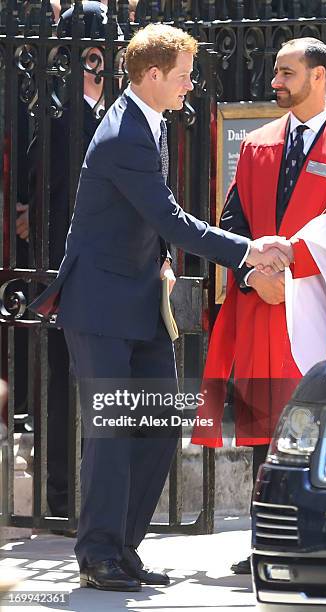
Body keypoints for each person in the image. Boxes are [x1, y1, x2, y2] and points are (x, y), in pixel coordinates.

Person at [29, 23, 292, 592]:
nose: (189, 86)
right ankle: (97, 553)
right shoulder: (125, 133)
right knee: (114, 429)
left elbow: (151, 218)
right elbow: (169, 215)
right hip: (100, 307)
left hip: (140, 302)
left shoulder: (150, 122)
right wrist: (250, 249)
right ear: (152, 76)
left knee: (155, 425)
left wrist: (167, 258)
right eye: (182, 76)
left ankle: (122, 547)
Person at [192, 36, 326, 574]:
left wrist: (291, 273)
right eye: (275, 72)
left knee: (317, 426)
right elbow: (232, 226)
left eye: (287, 73)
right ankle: (264, 543)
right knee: (264, 430)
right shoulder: (257, 143)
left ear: (318, 77)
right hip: (261, 309)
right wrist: (255, 278)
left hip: (318, 309)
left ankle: (316, 542)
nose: (275, 82)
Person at [27, 2, 112, 525]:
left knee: (102, 382)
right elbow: (36, 187)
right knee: (62, 379)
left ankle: (93, 490)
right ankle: (62, 494)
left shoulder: (120, 110)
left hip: (111, 272)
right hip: (62, 266)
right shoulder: (53, 111)